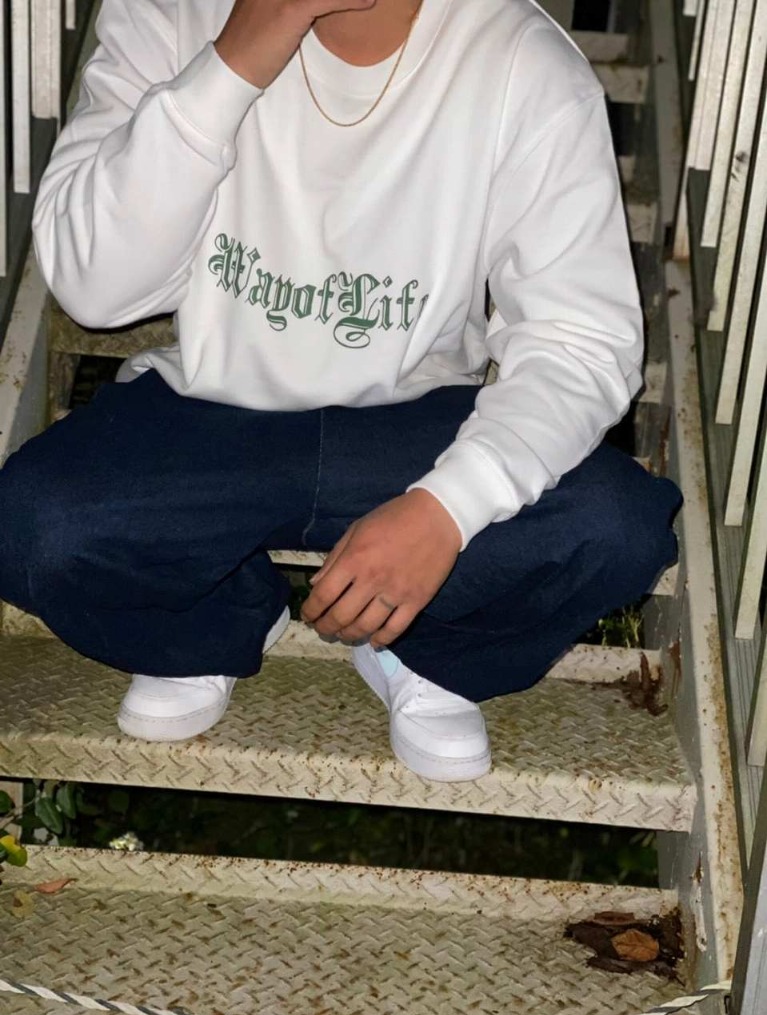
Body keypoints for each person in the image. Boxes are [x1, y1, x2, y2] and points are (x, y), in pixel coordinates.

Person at [0, 0, 681, 783]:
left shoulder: (522, 58)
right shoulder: (167, 11)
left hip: (416, 422)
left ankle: (425, 650)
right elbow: (92, 287)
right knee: (30, 525)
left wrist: (447, 509)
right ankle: (205, 623)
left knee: (616, 525)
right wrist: (233, 60)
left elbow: (579, 341)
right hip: (210, 407)